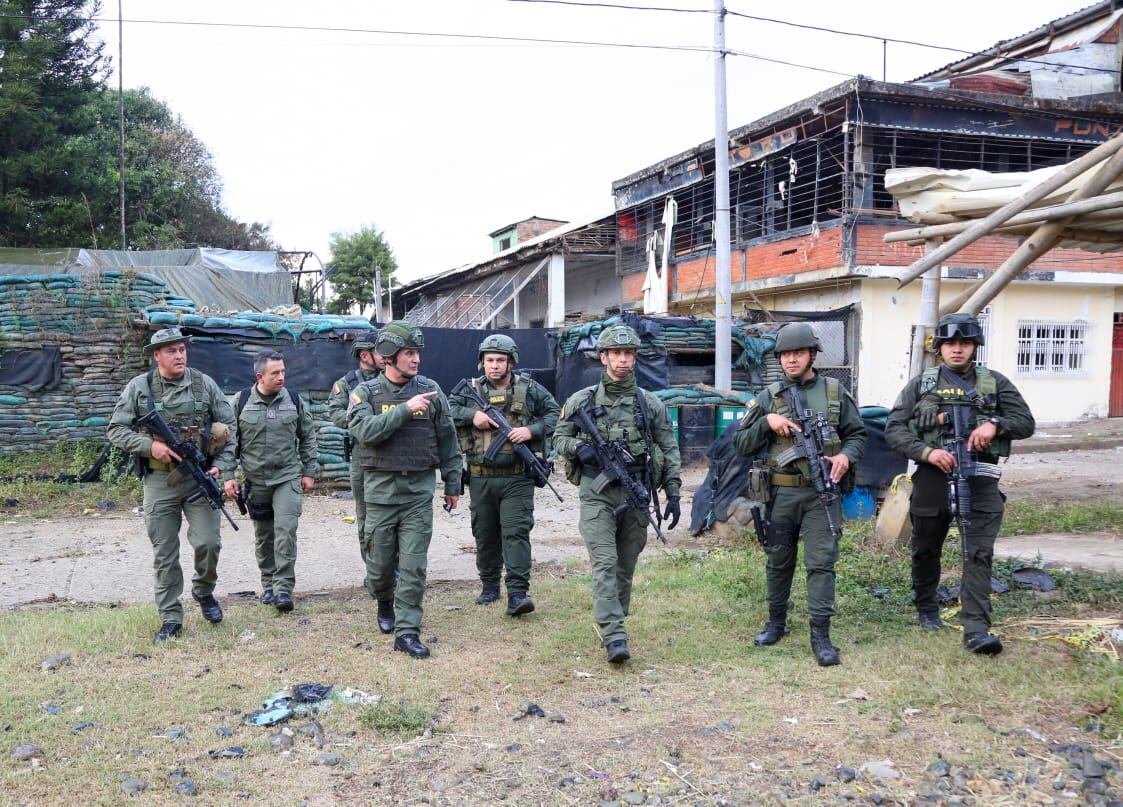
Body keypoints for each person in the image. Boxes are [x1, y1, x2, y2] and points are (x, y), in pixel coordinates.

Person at [885, 312, 1035, 655]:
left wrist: (995, 424)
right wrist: (925, 452)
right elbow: (893, 429)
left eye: (964, 343)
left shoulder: (994, 383)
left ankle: (976, 629)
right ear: (940, 347)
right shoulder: (922, 384)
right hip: (934, 475)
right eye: (950, 343)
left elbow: (1026, 422)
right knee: (926, 547)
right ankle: (925, 605)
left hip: (979, 477)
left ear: (974, 347)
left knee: (978, 551)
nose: (957, 349)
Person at [733, 322, 867, 667]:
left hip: (822, 493)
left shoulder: (835, 392)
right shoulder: (768, 397)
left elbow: (858, 436)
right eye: (785, 354)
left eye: (798, 353)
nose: (791, 360)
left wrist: (844, 456)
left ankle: (820, 635)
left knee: (821, 563)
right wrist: (767, 423)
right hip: (781, 493)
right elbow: (740, 443)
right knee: (779, 561)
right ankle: (776, 623)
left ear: (812, 355)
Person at [553, 324, 681, 664]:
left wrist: (674, 492)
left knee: (625, 565)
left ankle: (615, 616)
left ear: (635, 359)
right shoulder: (582, 401)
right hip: (598, 492)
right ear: (604, 357)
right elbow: (557, 439)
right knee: (605, 563)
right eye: (616, 354)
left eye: (629, 354)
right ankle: (614, 635)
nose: (623, 360)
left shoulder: (650, 404)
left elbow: (669, 448)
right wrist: (579, 447)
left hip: (636, 490)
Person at [107, 328, 237, 643]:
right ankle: (171, 618)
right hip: (159, 480)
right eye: (171, 351)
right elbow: (116, 429)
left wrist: (222, 465)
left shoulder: (203, 383)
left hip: (198, 477)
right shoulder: (139, 388)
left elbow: (229, 427)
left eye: (181, 349)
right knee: (165, 552)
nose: (179, 355)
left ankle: (204, 592)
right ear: (157, 356)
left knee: (209, 542)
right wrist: (149, 446)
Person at [347, 320, 462, 659]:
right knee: (380, 566)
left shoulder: (431, 390)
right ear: (388, 355)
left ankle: (407, 631)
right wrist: (404, 410)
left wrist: (452, 483)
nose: (416, 360)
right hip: (380, 493)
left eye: (417, 353)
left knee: (413, 565)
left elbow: (448, 440)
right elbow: (364, 431)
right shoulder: (364, 393)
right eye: (409, 353)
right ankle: (384, 600)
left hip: (417, 494)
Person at [449, 334, 560, 616]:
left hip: (517, 477)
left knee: (516, 533)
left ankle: (518, 593)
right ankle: (489, 587)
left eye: (500, 360)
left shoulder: (530, 389)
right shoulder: (468, 390)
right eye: (490, 360)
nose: (495, 366)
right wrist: (471, 416)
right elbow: (447, 410)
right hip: (479, 477)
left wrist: (530, 431)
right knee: (485, 534)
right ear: (482, 362)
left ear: (510, 362)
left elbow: (554, 414)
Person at [224, 351, 318, 613]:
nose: (281, 377)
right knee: (264, 536)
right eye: (275, 373)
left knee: (285, 531)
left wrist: (309, 471)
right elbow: (230, 443)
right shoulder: (241, 402)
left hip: (286, 477)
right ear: (259, 376)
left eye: (283, 371)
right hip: (255, 480)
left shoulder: (294, 400)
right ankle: (268, 585)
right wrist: (229, 476)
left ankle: (283, 589)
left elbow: (308, 436)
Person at [327, 334, 385, 598]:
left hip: (395, 454)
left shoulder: (395, 377)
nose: (386, 355)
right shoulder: (347, 384)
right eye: (380, 351)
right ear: (365, 355)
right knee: (366, 516)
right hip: (363, 457)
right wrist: (366, 420)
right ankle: (373, 570)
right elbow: (336, 413)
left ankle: (392, 568)